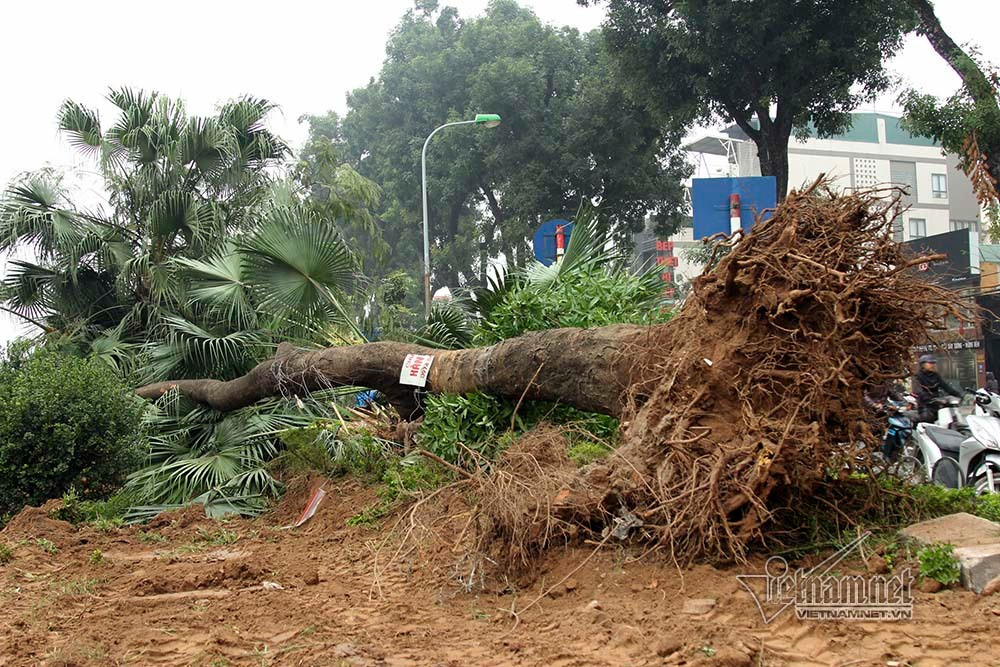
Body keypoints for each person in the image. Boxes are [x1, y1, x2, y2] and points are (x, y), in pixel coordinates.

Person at [913, 354, 961, 423]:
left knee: (949, 419)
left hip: (937, 404)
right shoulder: (918, 376)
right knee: (927, 418)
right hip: (926, 405)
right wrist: (927, 397)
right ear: (922, 364)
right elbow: (918, 390)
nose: (933, 365)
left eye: (933, 363)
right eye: (930, 363)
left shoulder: (936, 375)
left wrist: (957, 394)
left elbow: (945, 386)